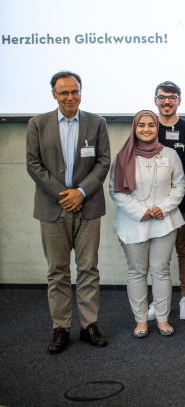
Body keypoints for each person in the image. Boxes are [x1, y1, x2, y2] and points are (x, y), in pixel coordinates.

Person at [26, 71, 111, 354]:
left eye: (75, 91)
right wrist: (64, 195)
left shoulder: (96, 122)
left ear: (80, 93)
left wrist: (81, 192)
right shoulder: (37, 124)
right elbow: (33, 164)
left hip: (88, 206)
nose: (70, 97)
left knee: (88, 269)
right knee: (58, 271)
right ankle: (60, 327)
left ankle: (89, 325)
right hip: (53, 208)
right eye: (64, 92)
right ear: (54, 95)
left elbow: (103, 161)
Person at [109, 110, 185, 337]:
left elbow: (179, 185)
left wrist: (164, 208)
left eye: (151, 125)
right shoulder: (122, 156)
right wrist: (140, 212)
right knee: (136, 272)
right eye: (141, 125)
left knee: (161, 271)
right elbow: (115, 190)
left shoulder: (170, 154)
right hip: (133, 222)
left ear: (157, 128)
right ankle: (141, 320)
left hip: (164, 221)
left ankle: (162, 319)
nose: (146, 129)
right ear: (134, 128)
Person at [152, 81, 185, 321]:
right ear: (155, 100)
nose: (167, 101)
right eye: (162, 97)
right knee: (158, 255)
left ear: (179, 100)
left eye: (172, 97)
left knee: (184, 250)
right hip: (155, 206)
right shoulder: (148, 127)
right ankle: (159, 300)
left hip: (183, 205)